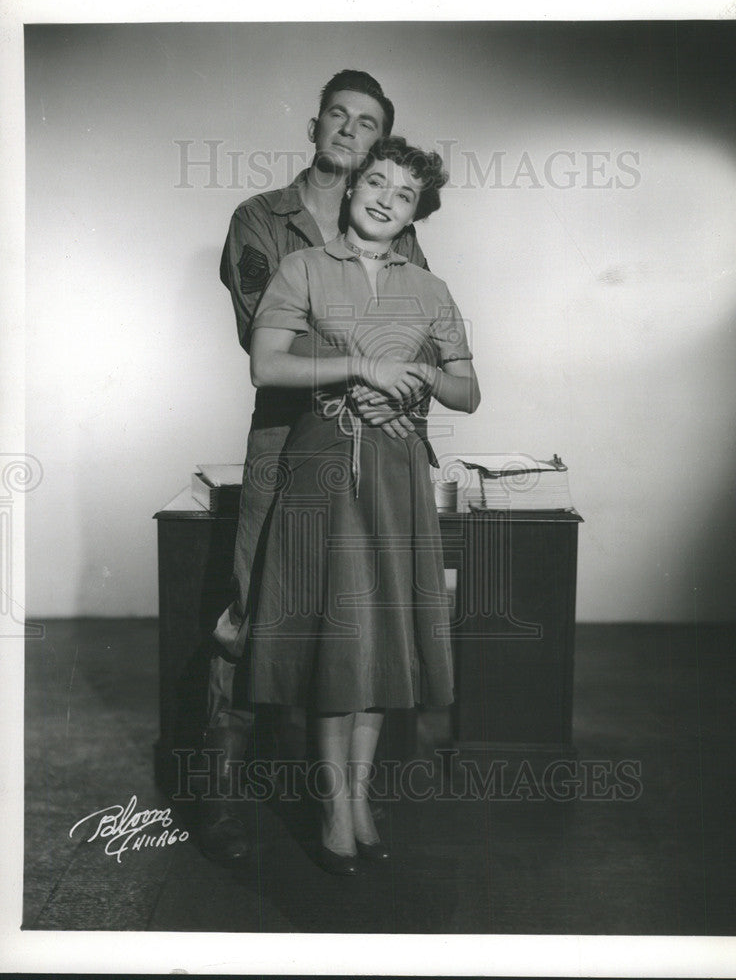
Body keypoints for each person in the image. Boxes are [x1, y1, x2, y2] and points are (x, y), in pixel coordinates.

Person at [202, 71, 428, 862]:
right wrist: (365, 366)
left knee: (362, 619)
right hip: (285, 441)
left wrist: (399, 400)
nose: (348, 129)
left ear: (379, 147)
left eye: (366, 123)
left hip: (376, 443)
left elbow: (423, 334)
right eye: (338, 114)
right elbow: (263, 338)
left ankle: (344, 805)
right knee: (251, 607)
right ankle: (224, 804)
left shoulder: (391, 220)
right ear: (314, 125)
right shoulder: (261, 220)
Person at [248, 136, 480, 874]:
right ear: (350, 189)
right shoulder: (302, 266)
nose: (383, 197)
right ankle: (332, 808)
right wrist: (360, 366)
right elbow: (265, 364)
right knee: (337, 643)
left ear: (417, 211)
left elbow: (467, 392)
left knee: (382, 644)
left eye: (402, 193)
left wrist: (415, 375)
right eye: (373, 182)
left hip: (396, 469)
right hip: (324, 467)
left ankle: (357, 796)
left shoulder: (430, 288)